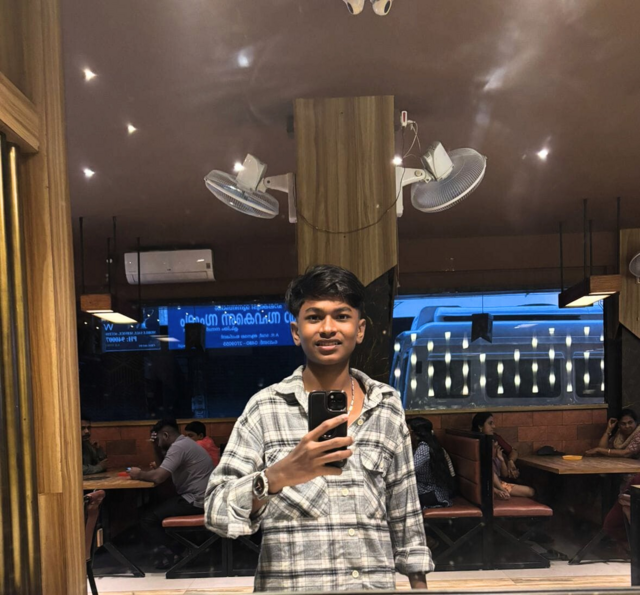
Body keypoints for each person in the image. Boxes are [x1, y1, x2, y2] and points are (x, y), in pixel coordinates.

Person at [205, 265, 432, 591]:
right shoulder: (265, 409)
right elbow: (216, 509)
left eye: (341, 316)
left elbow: (405, 508)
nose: (328, 328)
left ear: (360, 329)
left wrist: (418, 583)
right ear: (296, 331)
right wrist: (275, 477)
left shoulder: (386, 405)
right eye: (314, 317)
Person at [128, 418, 214, 569]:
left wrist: (139, 474)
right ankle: (179, 550)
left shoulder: (179, 447)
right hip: (202, 497)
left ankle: (184, 552)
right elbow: (162, 467)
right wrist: (156, 446)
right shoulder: (184, 444)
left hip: (197, 500)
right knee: (155, 506)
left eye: (158, 438)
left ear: (166, 435)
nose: (157, 442)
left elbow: (158, 477)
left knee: (147, 519)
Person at [407, 417, 455, 509]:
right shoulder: (420, 446)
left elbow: (408, 471)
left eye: (406, 431)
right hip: (430, 490)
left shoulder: (424, 448)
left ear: (415, 434)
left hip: (433, 493)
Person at [471, 411, 520, 480]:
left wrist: (511, 461)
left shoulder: (495, 438)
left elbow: (513, 451)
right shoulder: (473, 443)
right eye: (490, 423)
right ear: (480, 426)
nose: (494, 426)